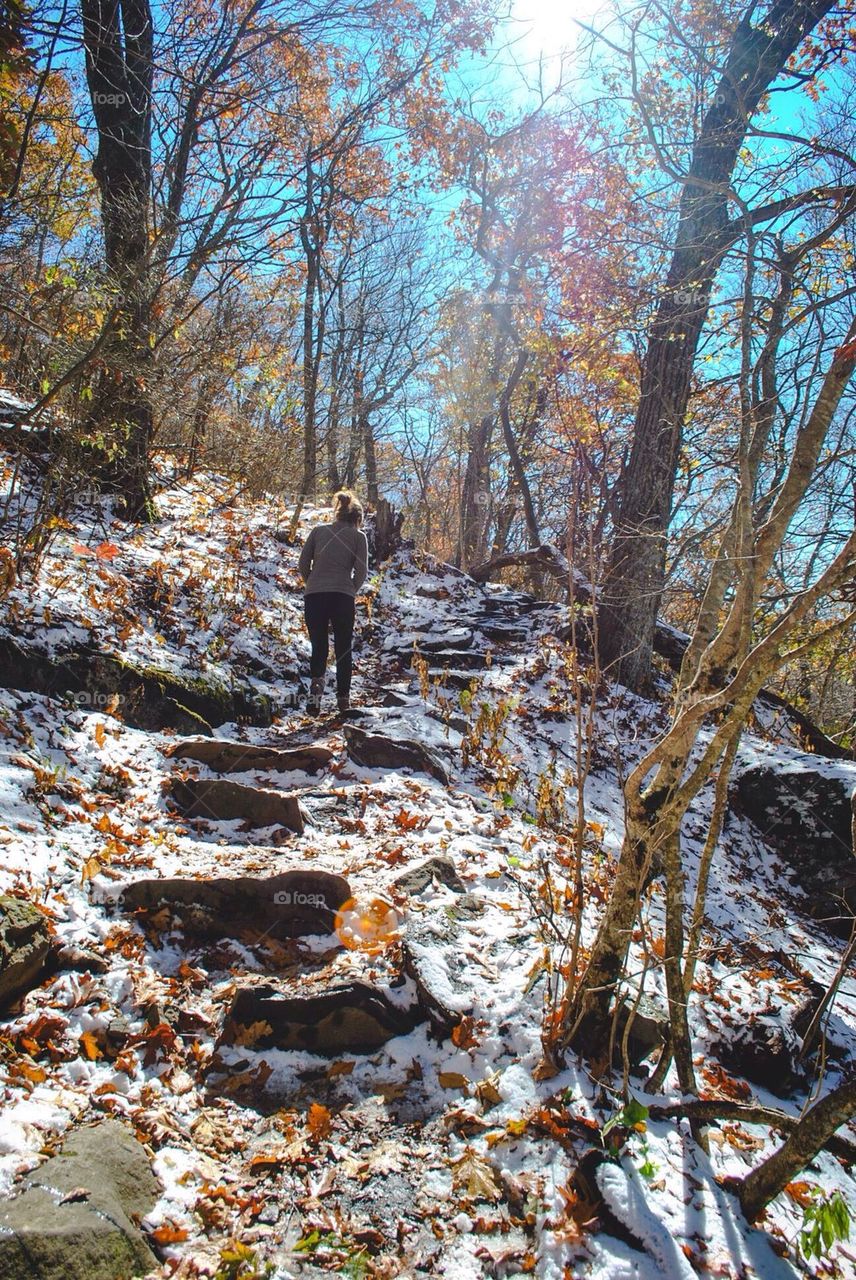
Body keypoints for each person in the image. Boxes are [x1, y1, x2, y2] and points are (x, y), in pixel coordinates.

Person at [298, 489, 369, 715]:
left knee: (319, 645)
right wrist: (350, 588)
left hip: (315, 595)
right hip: (342, 597)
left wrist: (312, 582)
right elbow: (361, 571)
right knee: (343, 648)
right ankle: (343, 700)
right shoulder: (359, 537)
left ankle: (316, 692)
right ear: (357, 519)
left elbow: (303, 563)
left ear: (337, 514)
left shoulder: (318, 532)